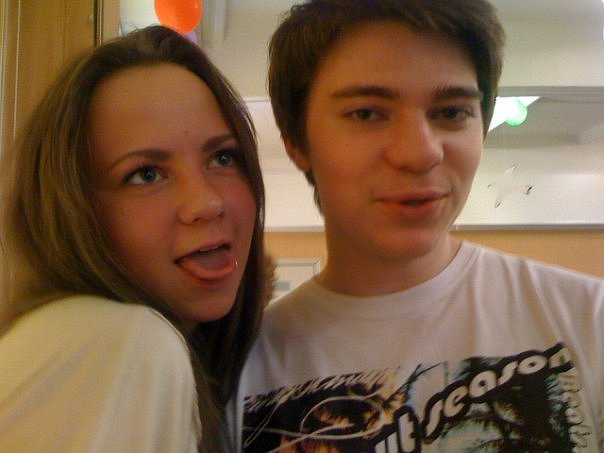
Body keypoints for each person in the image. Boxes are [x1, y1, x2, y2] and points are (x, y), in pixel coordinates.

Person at [232, 0, 604, 451]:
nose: (420, 152)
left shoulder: (588, 320)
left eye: (451, 113)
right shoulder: (239, 372)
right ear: (296, 141)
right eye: (366, 113)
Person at [0, 25, 266, 452]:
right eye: (146, 174)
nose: (208, 202)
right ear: (74, 210)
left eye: (222, 157)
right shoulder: (124, 343)